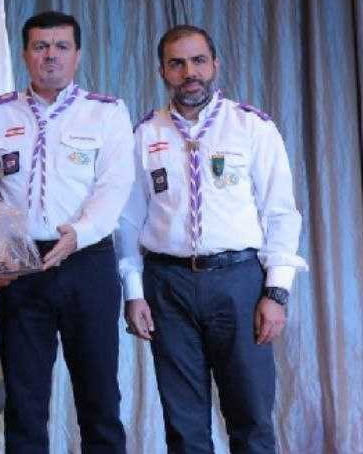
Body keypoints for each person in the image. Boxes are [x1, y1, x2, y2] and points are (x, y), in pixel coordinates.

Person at [118, 25, 307, 454]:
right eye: (177, 63)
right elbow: (127, 221)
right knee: (183, 424)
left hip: (238, 283)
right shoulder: (145, 133)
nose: (190, 72)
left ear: (215, 65)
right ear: (162, 71)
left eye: (199, 61)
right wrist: (134, 292)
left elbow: (281, 212)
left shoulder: (251, 126)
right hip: (168, 287)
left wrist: (276, 292)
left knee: (251, 416)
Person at [0, 11, 133, 453]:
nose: (51, 55)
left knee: (99, 396)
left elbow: (115, 185)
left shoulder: (105, 112)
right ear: (25, 54)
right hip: (22, 267)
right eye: (40, 46)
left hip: (86, 262)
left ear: (77, 54)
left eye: (61, 46)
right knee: (24, 401)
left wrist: (79, 234)